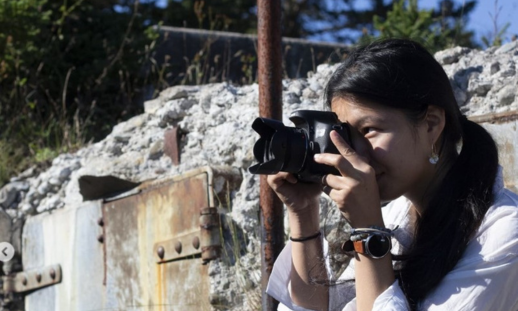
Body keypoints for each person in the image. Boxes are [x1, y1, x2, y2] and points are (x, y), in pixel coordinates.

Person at [265, 38, 518, 311]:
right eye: (348, 136)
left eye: (370, 130)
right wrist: (304, 213)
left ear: (431, 124)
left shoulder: (503, 233)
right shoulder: (399, 216)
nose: (356, 153)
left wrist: (368, 232)